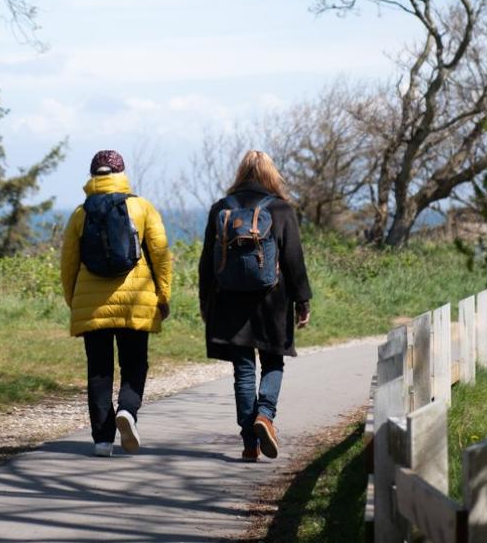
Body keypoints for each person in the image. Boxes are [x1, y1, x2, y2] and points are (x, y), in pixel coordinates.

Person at [198, 150, 311, 462]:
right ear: (271, 175)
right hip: (272, 301)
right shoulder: (281, 209)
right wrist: (302, 300)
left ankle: (250, 443)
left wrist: (205, 300)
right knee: (273, 362)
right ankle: (265, 415)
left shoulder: (221, 209)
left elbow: (207, 261)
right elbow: (293, 259)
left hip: (229, 299)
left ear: (241, 173)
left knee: (243, 370)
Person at [60, 149, 173, 457]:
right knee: (135, 363)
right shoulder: (142, 207)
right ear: (122, 174)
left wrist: (74, 301)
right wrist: (163, 297)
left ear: (92, 175)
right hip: (136, 301)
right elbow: (161, 256)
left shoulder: (80, 214)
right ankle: (127, 410)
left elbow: (68, 263)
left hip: (92, 305)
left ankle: (101, 440)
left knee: (99, 370)